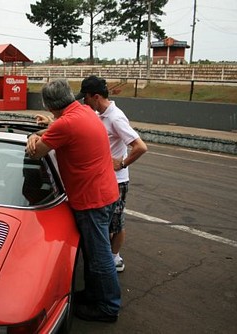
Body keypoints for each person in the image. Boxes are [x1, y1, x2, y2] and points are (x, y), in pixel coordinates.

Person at [27, 79, 121, 323]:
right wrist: (41, 133)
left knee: (99, 255)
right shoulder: (83, 112)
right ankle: (93, 294)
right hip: (104, 192)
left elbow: (36, 152)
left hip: (91, 199)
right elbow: (55, 129)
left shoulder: (66, 123)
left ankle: (108, 306)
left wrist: (32, 139)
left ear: (48, 106)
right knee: (93, 253)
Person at [36, 76, 148, 273]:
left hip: (115, 180)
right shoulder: (97, 114)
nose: (83, 102)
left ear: (96, 96)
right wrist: (51, 122)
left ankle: (114, 259)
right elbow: (73, 127)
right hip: (101, 179)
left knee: (116, 226)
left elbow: (140, 147)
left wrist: (121, 164)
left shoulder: (115, 117)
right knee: (104, 231)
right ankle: (107, 261)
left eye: (85, 98)